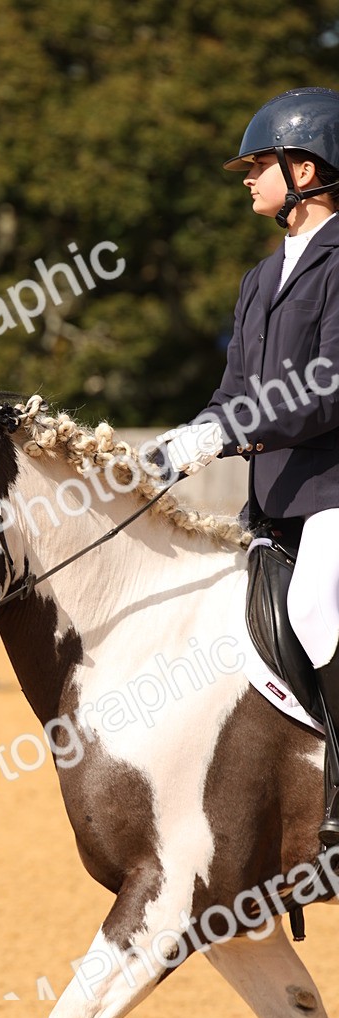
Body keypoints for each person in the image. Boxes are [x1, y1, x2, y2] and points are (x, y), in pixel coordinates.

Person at [159, 87, 339, 847]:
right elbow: (234, 391)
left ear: (308, 168)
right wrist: (190, 437)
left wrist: (228, 430)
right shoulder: (259, 280)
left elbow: (328, 385)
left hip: (333, 494)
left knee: (315, 619)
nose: (248, 177)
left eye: (260, 163)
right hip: (269, 504)